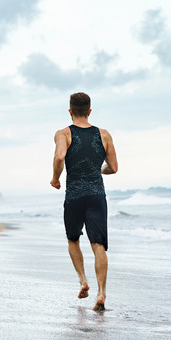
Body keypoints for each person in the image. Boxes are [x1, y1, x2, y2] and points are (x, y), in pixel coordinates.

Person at [50, 92, 118, 311]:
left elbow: (60, 157)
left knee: (73, 239)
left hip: (74, 196)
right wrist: (98, 171)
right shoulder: (104, 134)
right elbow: (113, 168)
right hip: (97, 195)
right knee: (98, 245)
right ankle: (101, 293)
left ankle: (83, 281)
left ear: (70, 111)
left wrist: (55, 178)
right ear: (89, 111)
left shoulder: (63, 133)